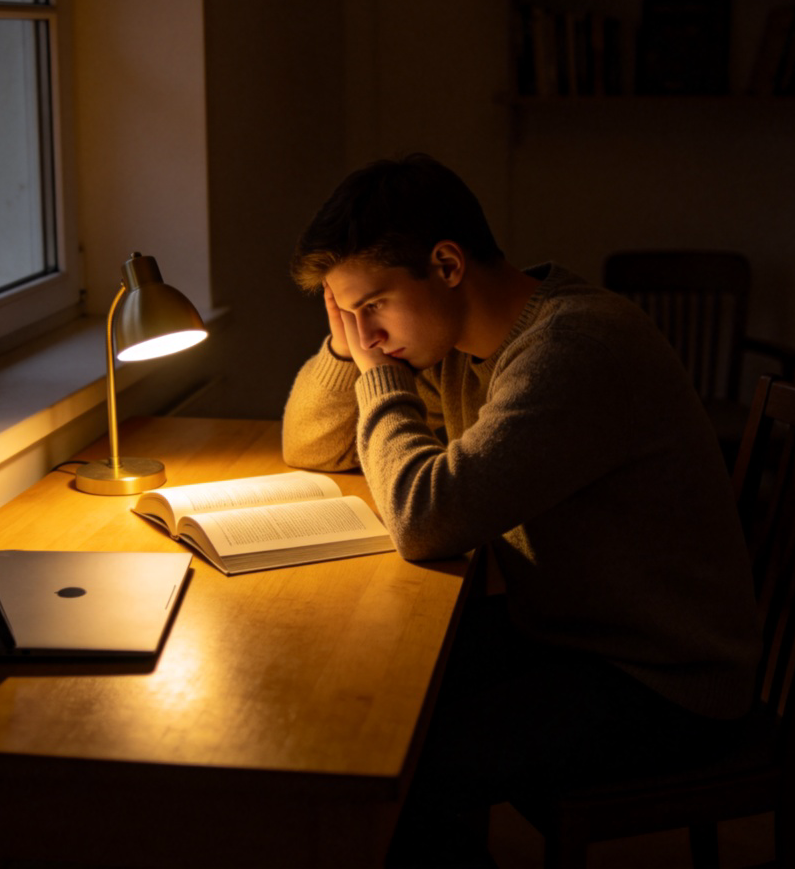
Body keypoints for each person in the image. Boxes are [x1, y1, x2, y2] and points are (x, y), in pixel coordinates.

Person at [281, 154, 761, 867]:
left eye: (373, 306)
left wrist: (377, 371)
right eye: (348, 315)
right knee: (367, 704)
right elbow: (310, 446)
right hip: (568, 630)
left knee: (406, 765)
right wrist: (345, 345)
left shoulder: (575, 347)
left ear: (447, 265)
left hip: (666, 675)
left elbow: (425, 519)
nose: (367, 333)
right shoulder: (454, 343)